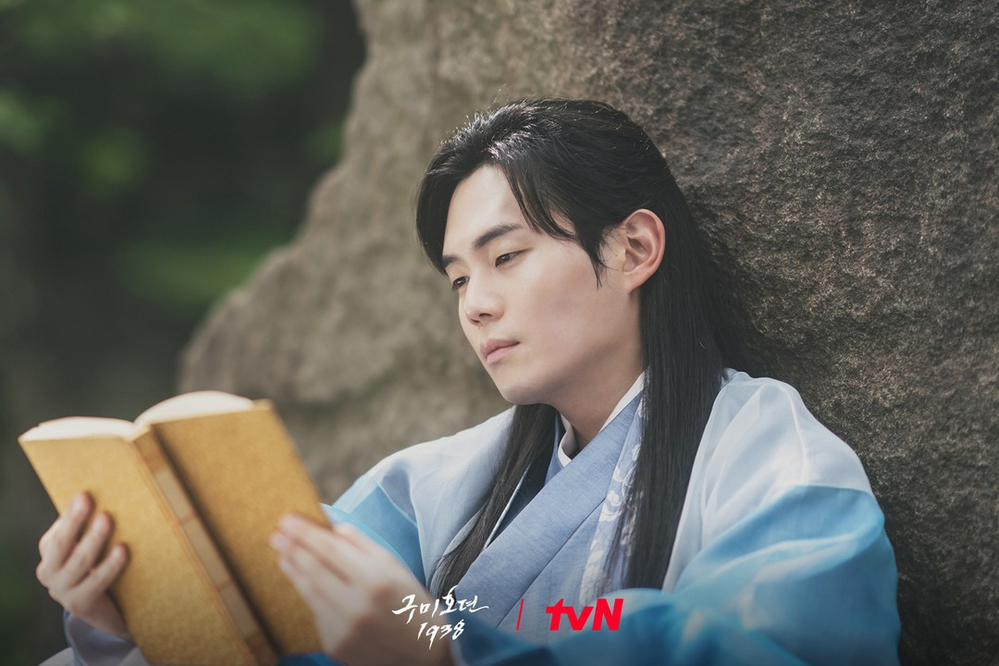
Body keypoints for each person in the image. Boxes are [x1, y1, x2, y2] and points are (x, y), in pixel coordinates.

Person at [35, 98, 901, 665]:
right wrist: (135, 620)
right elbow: (285, 633)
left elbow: (783, 646)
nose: (476, 304)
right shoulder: (431, 484)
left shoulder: (765, 453)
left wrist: (439, 644)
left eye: (506, 256)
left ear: (634, 248)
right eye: (457, 279)